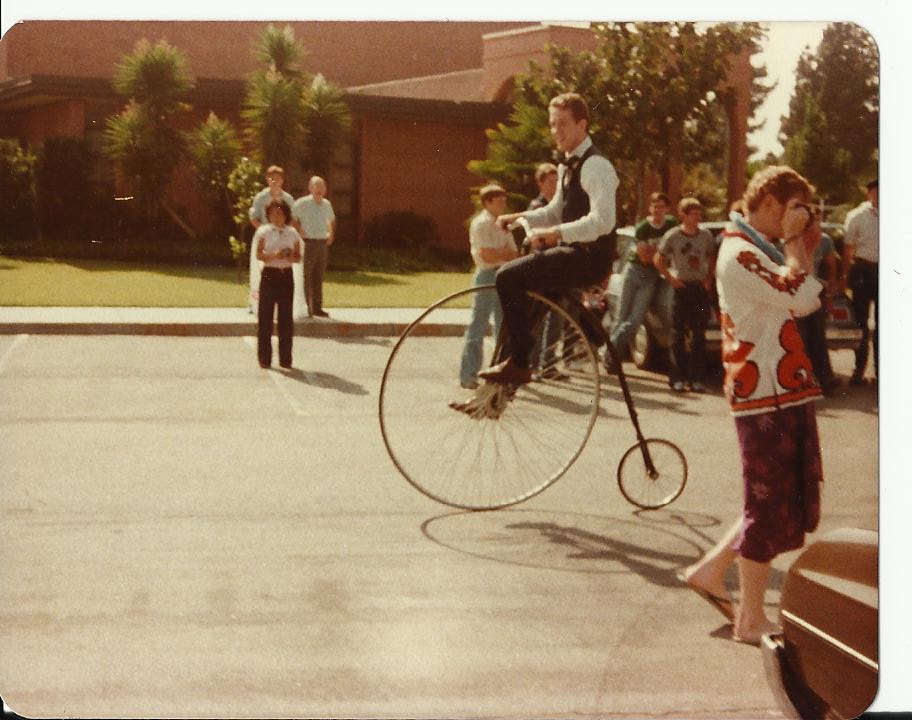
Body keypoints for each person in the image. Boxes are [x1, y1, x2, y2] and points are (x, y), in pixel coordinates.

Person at [677, 165, 824, 646]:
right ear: (767, 204)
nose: (796, 219)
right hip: (763, 394)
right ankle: (751, 618)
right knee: (765, 502)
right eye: (791, 209)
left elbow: (800, 291)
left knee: (772, 496)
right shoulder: (739, 254)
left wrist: (799, 243)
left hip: (777, 390)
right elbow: (803, 298)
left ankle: (710, 572)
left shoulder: (756, 251)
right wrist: (798, 244)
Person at [476, 92, 618, 385]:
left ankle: (519, 364)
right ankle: (496, 391)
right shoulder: (568, 165)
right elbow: (556, 211)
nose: (556, 131)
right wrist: (522, 218)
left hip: (589, 259)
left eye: (563, 124)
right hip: (573, 254)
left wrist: (555, 234)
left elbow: (603, 222)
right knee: (526, 312)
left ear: (582, 125)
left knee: (507, 278)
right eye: (552, 125)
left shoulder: (595, 165)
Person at [457, 184, 519, 389]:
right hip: (487, 276)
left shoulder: (503, 224)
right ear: (487, 202)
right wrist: (502, 253)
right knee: (478, 325)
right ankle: (468, 375)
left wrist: (500, 252)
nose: (504, 204)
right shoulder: (481, 223)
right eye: (499, 201)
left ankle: (501, 374)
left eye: (504, 200)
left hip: (504, 275)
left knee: (504, 327)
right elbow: (487, 255)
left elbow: (514, 253)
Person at [653, 197, 715, 393]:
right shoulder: (673, 236)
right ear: (684, 215)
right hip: (682, 288)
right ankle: (677, 378)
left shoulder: (705, 235)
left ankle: (696, 378)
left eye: (699, 214)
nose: (698, 218)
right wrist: (671, 279)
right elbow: (659, 259)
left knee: (699, 334)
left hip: (699, 288)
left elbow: (711, 256)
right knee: (678, 334)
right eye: (694, 214)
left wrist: (708, 278)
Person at [609, 192, 678, 365]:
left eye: (661, 207)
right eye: (654, 206)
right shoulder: (642, 228)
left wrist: (654, 251)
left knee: (635, 320)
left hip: (651, 276)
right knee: (621, 316)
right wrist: (660, 254)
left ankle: (607, 351)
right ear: (650, 208)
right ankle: (611, 358)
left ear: (667, 209)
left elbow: (670, 250)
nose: (657, 210)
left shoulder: (671, 225)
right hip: (633, 271)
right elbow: (645, 257)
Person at [253, 199, 302, 369]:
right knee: (265, 317)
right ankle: (264, 358)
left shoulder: (293, 233)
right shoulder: (264, 232)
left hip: (285, 276)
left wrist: (289, 257)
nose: (276, 216)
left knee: (285, 318)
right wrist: (274, 255)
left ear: (285, 214)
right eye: (273, 213)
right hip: (269, 275)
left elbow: (298, 257)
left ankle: (285, 359)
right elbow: (259, 255)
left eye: (279, 213)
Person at [840, 178, 878, 386]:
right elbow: (848, 248)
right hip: (863, 269)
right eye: (876, 191)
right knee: (861, 323)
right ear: (869, 193)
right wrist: (845, 274)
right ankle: (859, 371)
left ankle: (881, 372)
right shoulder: (856, 216)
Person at [796, 222, 840, 394]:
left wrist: (829, 294)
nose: (818, 231)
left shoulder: (825, 241)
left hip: (815, 292)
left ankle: (825, 379)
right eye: (814, 227)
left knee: (818, 337)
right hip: (796, 293)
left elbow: (831, 267)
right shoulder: (791, 242)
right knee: (801, 338)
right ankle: (804, 381)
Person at [247, 166, 295, 315]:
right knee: (260, 270)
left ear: (282, 180)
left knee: (282, 269)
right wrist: (265, 232)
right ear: (267, 179)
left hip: (283, 237)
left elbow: (292, 219)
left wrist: (284, 232)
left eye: (278, 178)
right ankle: (254, 303)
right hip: (265, 237)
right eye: (272, 178)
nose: (275, 181)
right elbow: (253, 217)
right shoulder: (261, 197)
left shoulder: (288, 199)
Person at [292, 176, 336, 319]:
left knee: (318, 276)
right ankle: (306, 307)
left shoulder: (327, 204)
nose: (319, 189)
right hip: (308, 243)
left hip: (322, 244)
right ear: (310, 188)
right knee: (306, 276)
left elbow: (331, 220)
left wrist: (331, 234)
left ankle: (317, 307)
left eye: (322, 186)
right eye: (316, 186)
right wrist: (299, 229)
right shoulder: (302, 203)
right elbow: (292, 218)